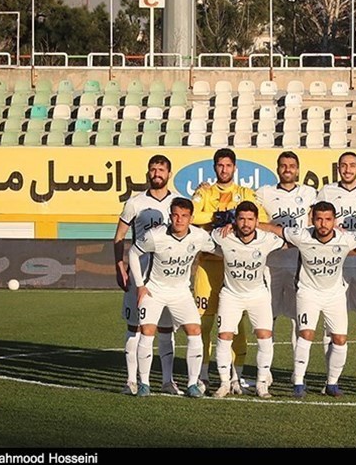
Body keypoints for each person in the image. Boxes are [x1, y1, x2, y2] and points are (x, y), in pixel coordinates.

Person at [258, 201, 356, 398]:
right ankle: (298, 383)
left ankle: (332, 383)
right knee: (306, 334)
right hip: (308, 293)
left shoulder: (346, 238)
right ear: (312, 219)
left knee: (340, 339)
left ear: (335, 220)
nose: (323, 224)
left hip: (335, 295)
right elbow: (274, 229)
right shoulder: (302, 235)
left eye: (328, 219)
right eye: (319, 219)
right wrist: (251, 223)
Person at [191, 148, 269, 394]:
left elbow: (262, 219)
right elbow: (192, 216)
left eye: (228, 165)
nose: (224, 169)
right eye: (220, 165)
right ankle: (203, 375)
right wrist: (219, 216)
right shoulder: (204, 192)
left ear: (235, 168)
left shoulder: (245, 193)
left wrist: (233, 220)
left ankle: (237, 377)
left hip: (235, 269)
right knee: (203, 324)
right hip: (207, 266)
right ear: (214, 167)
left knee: (238, 326)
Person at [128, 197, 217, 398]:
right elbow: (133, 253)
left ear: (191, 218)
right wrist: (140, 285)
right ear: (170, 216)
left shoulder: (199, 236)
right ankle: (144, 383)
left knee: (195, 330)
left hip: (181, 292)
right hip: (154, 291)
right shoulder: (155, 236)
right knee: (147, 331)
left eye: (184, 216)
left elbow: (219, 249)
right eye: (175, 215)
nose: (179, 220)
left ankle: (192, 384)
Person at [113, 154, 181, 396]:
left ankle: (167, 381)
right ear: (148, 173)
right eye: (153, 169)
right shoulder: (135, 202)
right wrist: (119, 266)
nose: (156, 174)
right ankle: (131, 381)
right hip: (139, 274)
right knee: (135, 327)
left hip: (168, 276)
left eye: (161, 170)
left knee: (166, 329)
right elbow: (119, 236)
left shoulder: (178, 203)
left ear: (169, 174)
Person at [315, 151, 356, 395]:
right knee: (330, 323)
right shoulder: (327, 191)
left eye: (352, 165)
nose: (348, 169)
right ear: (338, 168)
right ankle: (330, 377)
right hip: (336, 264)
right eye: (343, 165)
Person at [209, 201, 284, 399]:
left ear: (257, 221)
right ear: (235, 220)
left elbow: (289, 239)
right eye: (241, 219)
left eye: (250, 219)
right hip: (231, 295)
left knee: (265, 336)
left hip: (258, 295)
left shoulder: (267, 239)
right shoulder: (223, 236)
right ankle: (224, 383)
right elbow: (205, 237)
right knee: (224, 336)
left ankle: (262, 384)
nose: (246, 223)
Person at [255, 151, 317, 349]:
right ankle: (266, 366)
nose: (287, 169)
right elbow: (251, 215)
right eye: (283, 165)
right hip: (271, 264)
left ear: (297, 170)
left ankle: (298, 365)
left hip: (298, 264)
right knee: (267, 317)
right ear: (277, 169)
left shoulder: (309, 193)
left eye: (291, 166)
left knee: (298, 317)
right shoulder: (264, 192)